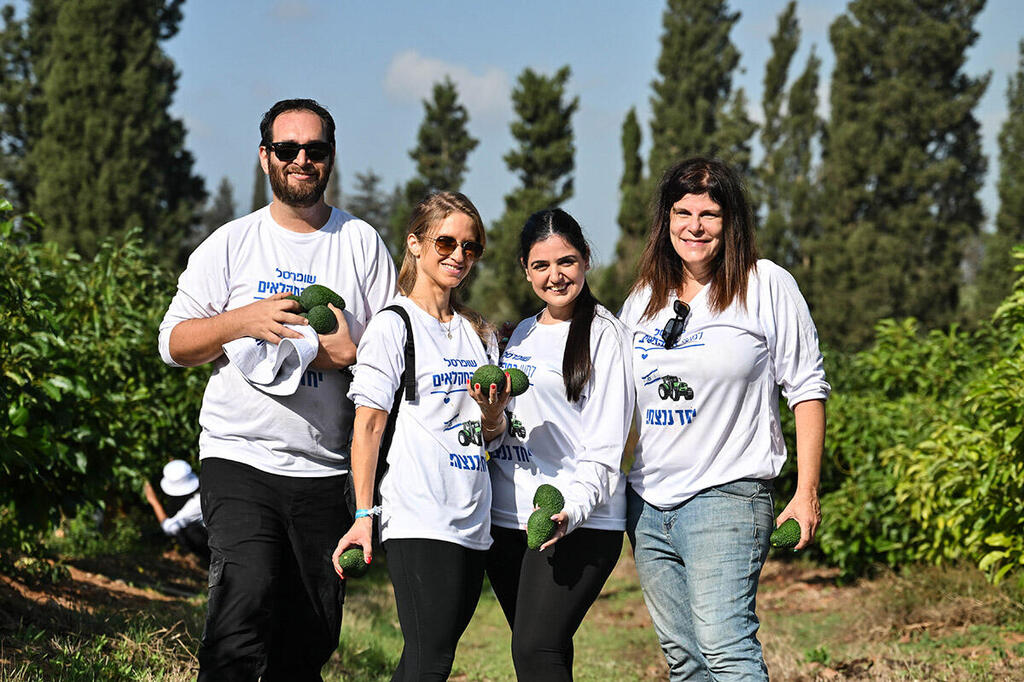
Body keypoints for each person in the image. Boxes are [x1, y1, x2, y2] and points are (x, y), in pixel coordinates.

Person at [158, 98, 397, 681]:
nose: (301, 160)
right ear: (265, 156)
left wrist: (346, 353)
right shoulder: (232, 244)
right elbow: (174, 343)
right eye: (287, 149)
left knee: (308, 637)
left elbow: (395, 357)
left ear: (330, 159)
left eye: (314, 150)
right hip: (238, 456)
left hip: (323, 468)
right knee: (243, 602)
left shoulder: (361, 244)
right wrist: (240, 320)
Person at [619, 157, 829, 680]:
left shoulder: (765, 284)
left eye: (709, 213)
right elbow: (609, 397)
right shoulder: (644, 298)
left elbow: (806, 388)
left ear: (730, 220)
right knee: (685, 661)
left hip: (727, 496)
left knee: (725, 648)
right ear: (666, 219)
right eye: (683, 212)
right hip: (647, 506)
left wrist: (806, 493)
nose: (695, 225)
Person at [331, 191, 506, 682]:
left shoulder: (479, 333)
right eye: (445, 242)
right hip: (418, 514)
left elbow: (491, 434)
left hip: (474, 515)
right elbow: (368, 426)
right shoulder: (394, 325)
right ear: (414, 244)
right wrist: (363, 516)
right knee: (432, 659)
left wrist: (494, 414)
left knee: (429, 656)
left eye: (471, 247)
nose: (458, 255)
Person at [486, 208, 633, 681]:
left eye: (566, 261)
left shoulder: (606, 336)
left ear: (586, 259)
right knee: (544, 652)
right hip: (508, 520)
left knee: (535, 649)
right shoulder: (522, 333)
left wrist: (570, 512)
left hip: (573, 520)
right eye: (541, 265)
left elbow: (606, 450)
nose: (555, 276)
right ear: (526, 270)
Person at [142, 459, 211, 566]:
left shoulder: (195, 503)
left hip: (219, 542)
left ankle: (211, 561)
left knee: (189, 532)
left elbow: (170, 527)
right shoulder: (203, 488)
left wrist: (154, 502)